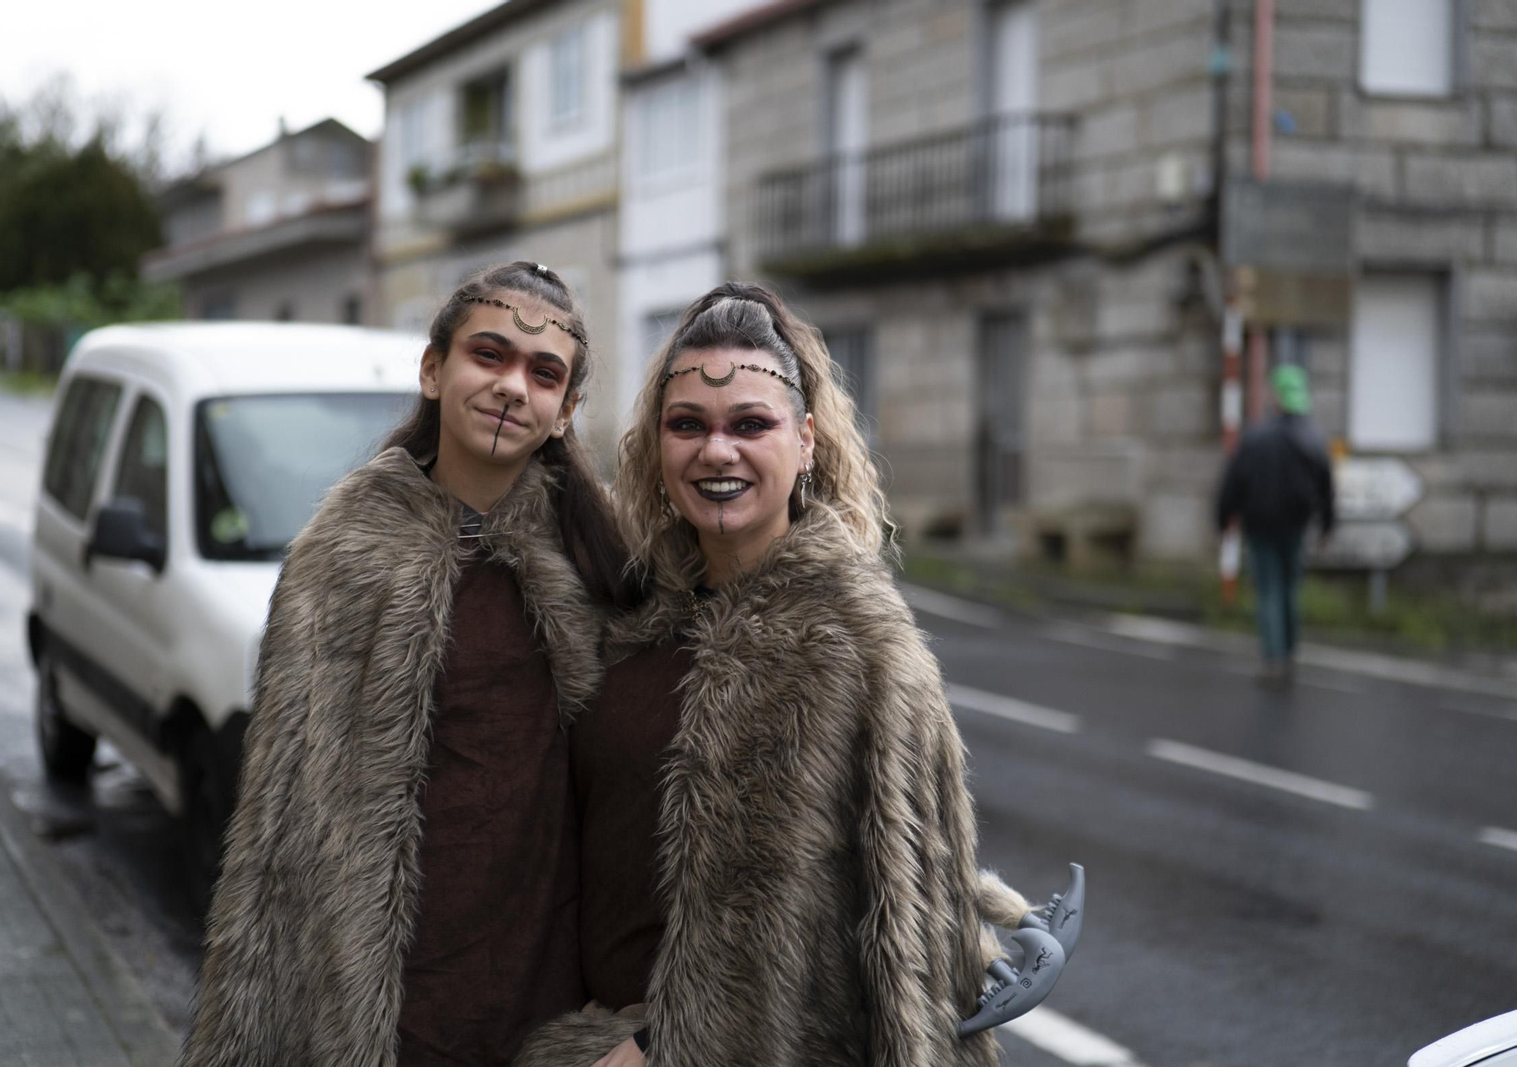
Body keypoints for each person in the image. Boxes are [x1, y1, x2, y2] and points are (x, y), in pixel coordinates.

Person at [517, 283, 1031, 1067]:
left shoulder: (862, 645)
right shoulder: (623, 618)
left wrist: (661, 1044)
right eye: (688, 425)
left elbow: (895, 937)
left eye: (750, 424)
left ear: (806, 440)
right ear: (657, 445)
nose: (717, 451)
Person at [179, 262, 630, 1067]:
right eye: (488, 355)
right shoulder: (341, 556)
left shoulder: (604, 568)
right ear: (433, 370)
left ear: (564, 412)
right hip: (392, 1015)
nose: (512, 386)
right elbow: (280, 826)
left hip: (553, 1013)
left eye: (544, 373)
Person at [1216, 364, 1335, 685]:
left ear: (1276, 397)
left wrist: (1224, 520)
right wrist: (1326, 526)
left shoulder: (1255, 436)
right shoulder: (1312, 438)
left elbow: (1232, 481)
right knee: (1289, 588)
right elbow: (1326, 487)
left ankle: (1273, 658)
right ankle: (1290, 652)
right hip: (1295, 525)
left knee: (1268, 588)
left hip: (1259, 526)